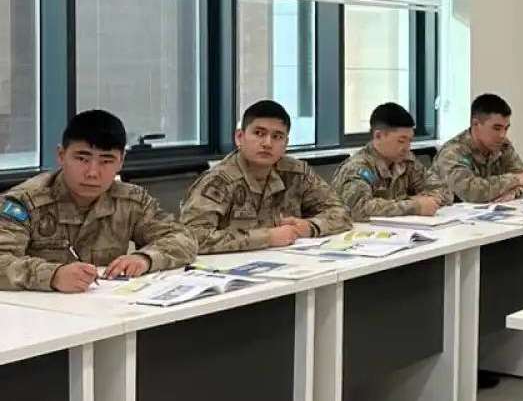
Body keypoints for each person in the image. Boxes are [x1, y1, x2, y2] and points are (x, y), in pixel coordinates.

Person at [0, 110, 196, 291]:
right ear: (61, 155)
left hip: (106, 308)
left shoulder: (132, 200)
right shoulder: (23, 202)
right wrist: (52, 275)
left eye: (106, 161)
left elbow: (183, 239)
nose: (93, 173)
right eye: (82, 159)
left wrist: (145, 259)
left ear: (121, 162)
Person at [180, 100, 352, 253]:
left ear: (286, 143)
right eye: (259, 133)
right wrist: (267, 237)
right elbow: (192, 238)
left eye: (277, 136)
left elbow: (342, 213)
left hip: (290, 264)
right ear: (240, 137)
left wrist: (309, 227)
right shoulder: (218, 181)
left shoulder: (297, 172)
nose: (267, 143)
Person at [331, 103, 451, 220]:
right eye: (401, 141)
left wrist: (427, 201)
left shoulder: (407, 161)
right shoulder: (357, 168)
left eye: (410, 141)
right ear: (378, 136)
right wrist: (413, 206)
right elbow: (358, 209)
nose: (407, 148)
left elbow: (443, 190)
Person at [434, 94, 523, 203]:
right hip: (448, 216)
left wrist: (514, 193)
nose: (502, 135)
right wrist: (514, 180)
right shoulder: (452, 151)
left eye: (506, 128)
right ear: (476, 124)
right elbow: (471, 192)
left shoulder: (502, 146)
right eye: (496, 128)